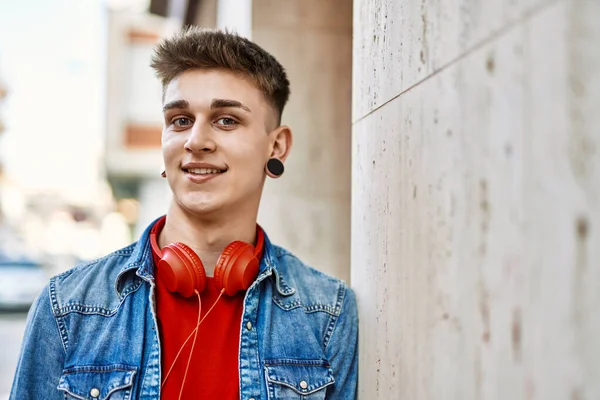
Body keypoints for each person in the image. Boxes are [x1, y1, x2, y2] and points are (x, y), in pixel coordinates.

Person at [10, 27, 358, 399]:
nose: (195, 141)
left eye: (226, 120)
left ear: (277, 146)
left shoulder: (326, 312)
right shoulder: (68, 306)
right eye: (180, 120)